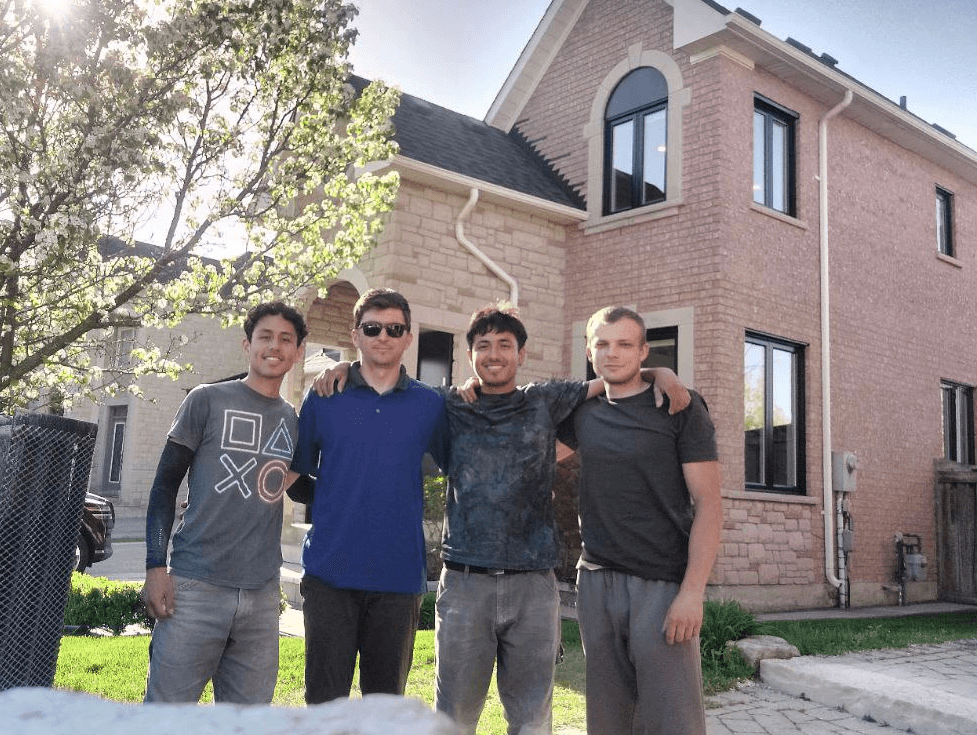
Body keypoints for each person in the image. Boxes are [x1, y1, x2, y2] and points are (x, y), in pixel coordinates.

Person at [312, 303, 688, 733]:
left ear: (521, 354)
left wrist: (662, 373)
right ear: (470, 355)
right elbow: (388, 379)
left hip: (533, 586)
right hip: (466, 583)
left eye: (504, 345)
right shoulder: (449, 405)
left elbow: (612, 379)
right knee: (454, 716)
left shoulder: (545, 401)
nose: (494, 354)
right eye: (483, 346)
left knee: (531, 719)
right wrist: (343, 364)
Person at [558, 306, 721, 735]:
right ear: (589, 350)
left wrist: (692, 592)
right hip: (595, 582)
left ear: (644, 350)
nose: (613, 354)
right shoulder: (583, 412)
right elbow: (531, 448)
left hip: (661, 584)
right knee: (608, 720)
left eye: (625, 344)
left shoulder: (680, 406)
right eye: (603, 344)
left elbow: (709, 503)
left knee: (673, 721)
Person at [141, 300, 308, 704]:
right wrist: (154, 566)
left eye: (286, 339)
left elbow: (294, 487)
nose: (275, 346)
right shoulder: (207, 400)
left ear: (298, 351)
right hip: (195, 587)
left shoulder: (295, 422)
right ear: (247, 344)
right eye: (265, 336)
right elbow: (164, 487)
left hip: (262, 593)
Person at [290, 287, 447, 704]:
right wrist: (335, 500)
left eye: (394, 329)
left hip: (398, 578)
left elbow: (462, 468)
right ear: (356, 334)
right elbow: (294, 473)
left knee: (385, 709)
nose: (383, 337)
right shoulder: (324, 396)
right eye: (372, 328)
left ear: (408, 338)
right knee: (325, 706)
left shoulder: (430, 404)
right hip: (330, 575)